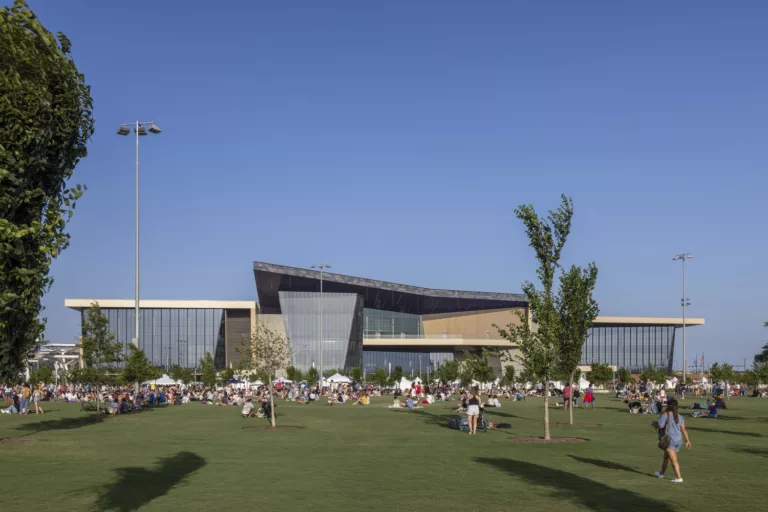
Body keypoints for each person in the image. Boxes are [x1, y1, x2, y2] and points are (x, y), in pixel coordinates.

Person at [654, 398, 692, 483]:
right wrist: (688, 441)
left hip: (669, 440)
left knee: (673, 460)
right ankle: (661, 474)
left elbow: (660, 426)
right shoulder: (680, 416)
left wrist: (655, 424)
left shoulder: (665, 414)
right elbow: (684, 429)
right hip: (678, 440)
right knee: (666, 457)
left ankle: (679, 478)